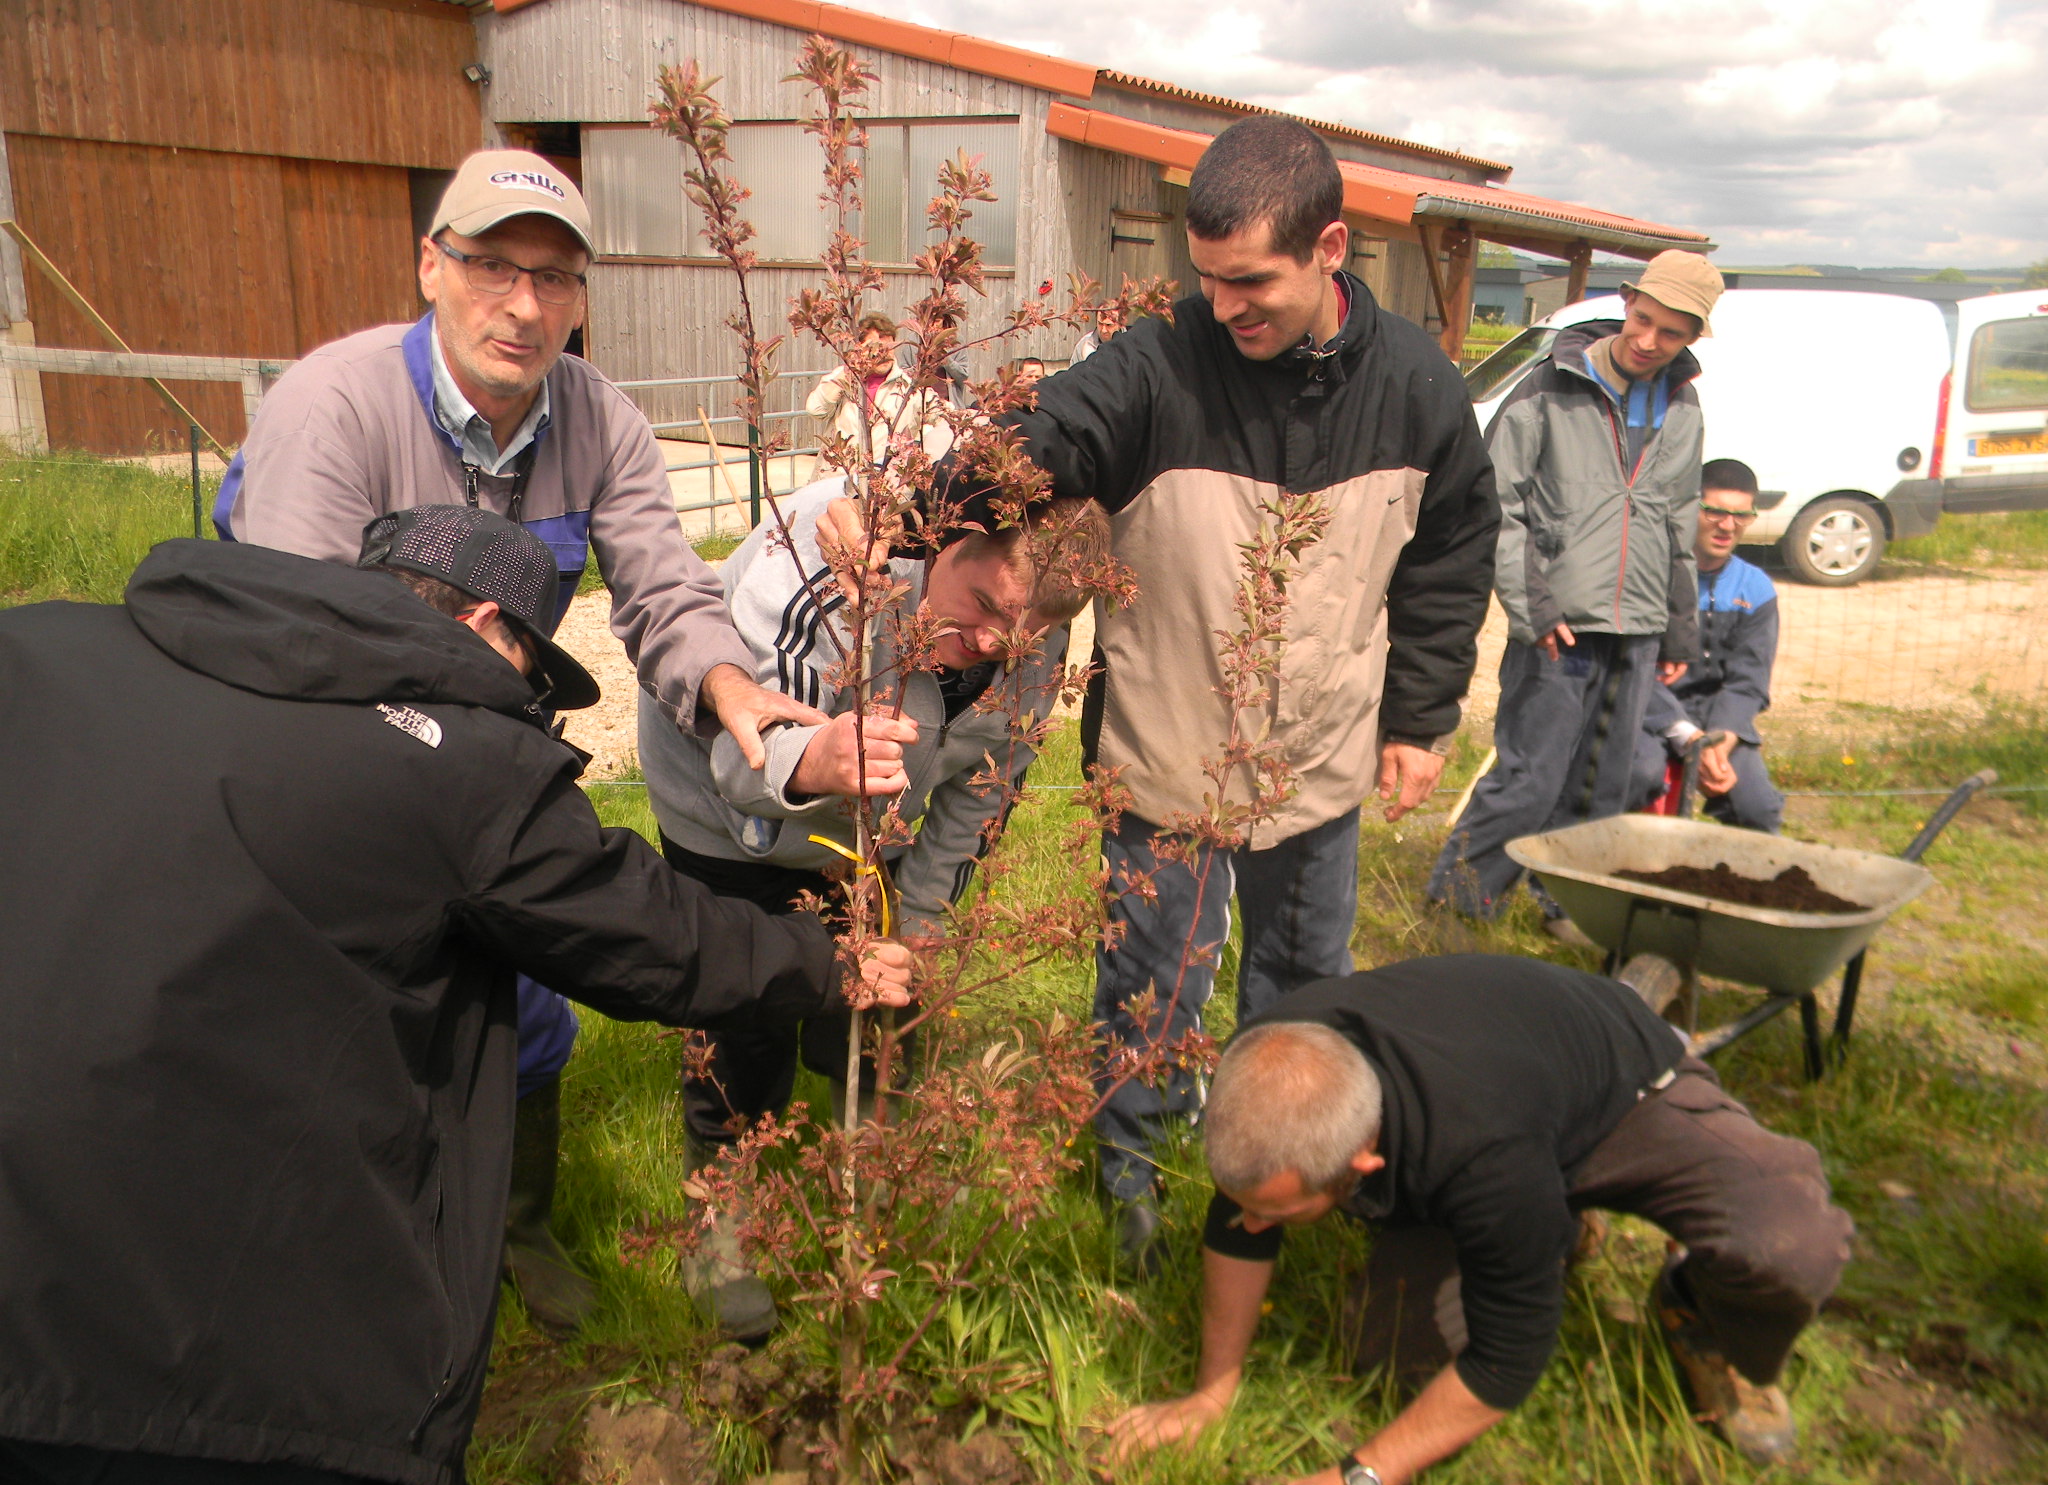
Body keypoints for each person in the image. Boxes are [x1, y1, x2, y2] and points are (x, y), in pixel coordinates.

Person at [0, 507, 911, 1485]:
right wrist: (834, 960)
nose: (521, 708)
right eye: (528, 676)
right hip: (195, 1348)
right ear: (486, 625)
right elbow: (659, 940)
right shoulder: (459, 764)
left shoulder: (42, 649)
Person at [830, 117, 1498, 1268]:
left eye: (1251, 283)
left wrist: (1420, 721)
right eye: (1207, 281)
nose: (1226, 307)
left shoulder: (1418, 389)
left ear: (1329, 247)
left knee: (1302, 985)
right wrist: (921, 511)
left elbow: (1447, 562)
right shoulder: (1156, 364)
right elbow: (1042, 440)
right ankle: (1131, 1170)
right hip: (1165, 752)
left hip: (1321, 757)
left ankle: (1278, 1172)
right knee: (1154, 981)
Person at [211, 148, 824, 1332]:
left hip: (482, 757)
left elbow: (662, 586)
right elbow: (291, 640)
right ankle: (358, 1254)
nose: (523, 304)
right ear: (430, 268)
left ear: (580, 299)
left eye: (553, 278)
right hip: (326, 751)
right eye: (492, 266)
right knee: (358, 1013)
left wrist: (731, 689)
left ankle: (517, 1229)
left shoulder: (596, 420)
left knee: (525, 1002)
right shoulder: (334, 408)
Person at [1109, 956, 1853, 1485]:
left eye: (1282, 1211)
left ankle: (1694, 1306)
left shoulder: (1477, 1151)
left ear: (1362, 1164)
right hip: (1504, 1102)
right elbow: (1243, 1215)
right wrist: (1210, 1393)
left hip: (1623, 1087)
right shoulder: (1272, 1069)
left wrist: (1358, 1482)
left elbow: (1511, 1355)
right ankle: (1553, 1230)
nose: (1259, 1225)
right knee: (1395, 1355)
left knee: (1790, 1245)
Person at [638, 476, 1108, 1338]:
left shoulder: (1031, 639)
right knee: (743, 1019)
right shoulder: (815, 579)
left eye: (1024, 633)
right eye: (981, 605)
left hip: (873, 827)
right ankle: (724, 1219)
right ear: (947, 543)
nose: (988, 643)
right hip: (725, 816)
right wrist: (815, 760)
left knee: (884, 1003)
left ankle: (871, 1179)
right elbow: (738, 755)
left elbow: (981, 791)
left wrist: (920, 931)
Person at [1428, 250, 1724, 931]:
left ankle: (1563, 900)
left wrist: (1679, 626)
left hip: (1639, 624)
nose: (1649, 342)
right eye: (1643, 320)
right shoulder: (1549, 388)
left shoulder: (1684, 405)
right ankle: (1458, 901)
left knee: (1606, 780)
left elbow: (1680, 515)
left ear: (1693, 338)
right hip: (1557, 622)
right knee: (1532, 777)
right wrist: (1533, 606)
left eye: (1671, 333)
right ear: (1626, 303)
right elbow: (1496, 504)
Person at [1630, 458, 1784, 831]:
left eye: (1741, 516)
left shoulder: (1757, 589)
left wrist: (1722, 737)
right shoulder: (1648, 576)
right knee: (1641, 778)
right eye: (1714, 511)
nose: (1727, 526)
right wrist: (1686, 735)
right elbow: (1633, 668)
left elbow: (1749, 682)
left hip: (1717, 720)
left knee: (1757, 808)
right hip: (1648, 715)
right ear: (1688, 508)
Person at [804, 312, 954, 477]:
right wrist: (847, 374)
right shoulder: (843, 379)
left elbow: (945, 417)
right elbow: (816, 410)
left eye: (889, 348)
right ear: (859, 348)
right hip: (839, 478)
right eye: (875, 347)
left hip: (885, 483)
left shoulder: (910, 386)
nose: (883, 353)